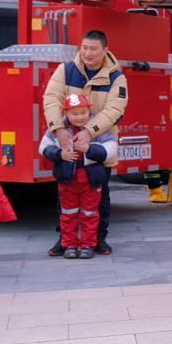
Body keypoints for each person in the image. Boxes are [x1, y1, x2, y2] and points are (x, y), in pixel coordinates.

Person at [42, 30, 128, 256]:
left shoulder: (116, 77)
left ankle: (99, 240)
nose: (87, 53)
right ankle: (65, 240)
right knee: (66, 195)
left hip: (98, 146)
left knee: (101, 196)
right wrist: (58, 129)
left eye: (93, 48)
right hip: (67, 146)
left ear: (105, 50)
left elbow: (114, 110)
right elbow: (51, 98)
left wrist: (90, 132)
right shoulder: (66, 70)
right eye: (84, 48)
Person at [38, 94, 117, 259]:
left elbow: (111, 149)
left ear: (89, 110)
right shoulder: (59, 130)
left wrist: (88, 149)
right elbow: (44, 148)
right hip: (67, 179)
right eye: (74, 114)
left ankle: (88, 245)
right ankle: (69, 245)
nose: (79, 117)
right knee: (68, 213)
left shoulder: (96, 129)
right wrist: (60, 154)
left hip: (91, 179)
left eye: (83, 112)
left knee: (89, 213)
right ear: (65, 113)